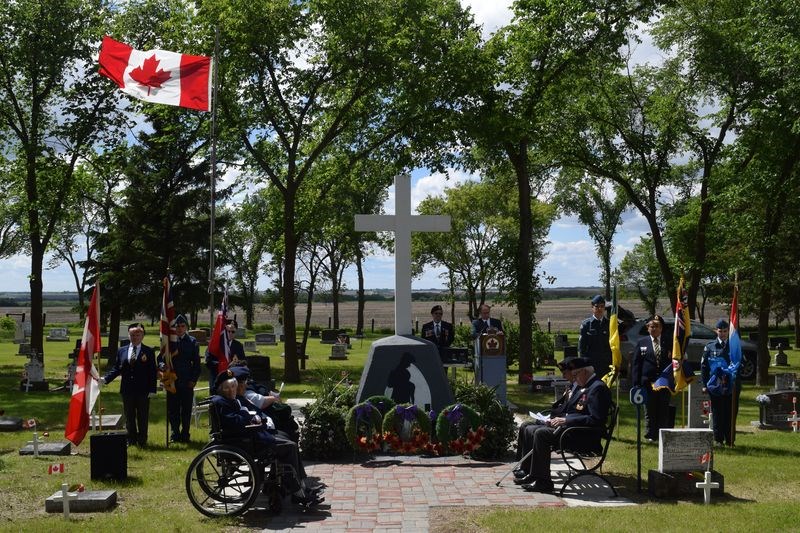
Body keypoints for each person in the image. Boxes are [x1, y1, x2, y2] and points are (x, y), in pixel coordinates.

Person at [211, 368, 322, 506]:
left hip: (252, 435)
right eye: (228, 388)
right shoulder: (222, 403)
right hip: (246, 440)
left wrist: (253, 417)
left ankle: (302, 488)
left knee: (288, 439)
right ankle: (297, 492)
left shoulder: (232, 400)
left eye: (233, 387)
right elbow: (235, 422)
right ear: (222, 390)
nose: (232, 390)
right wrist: (251, 418)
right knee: (290, 447)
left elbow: (242, 415)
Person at [514, 357, 611, 492]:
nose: (574, 378)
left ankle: (544, 482)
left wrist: (567, 420)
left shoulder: (597, 388)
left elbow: (596, 419)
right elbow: (575, 411)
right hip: (572, 430)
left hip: (584, 436)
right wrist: (562, 419)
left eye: (576, 374)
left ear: (584, 372)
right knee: (532, 429)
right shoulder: (587, 386)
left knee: (541, 433)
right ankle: (532, 474)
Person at [513, 356, 576, 481]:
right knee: (525, 425)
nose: (564, 376)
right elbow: (560, 409)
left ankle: (536, 476)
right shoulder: (573, 386)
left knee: (537, 432)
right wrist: (563, 400)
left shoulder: (582, 388)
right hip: (559, 422)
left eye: (565, 373)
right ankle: (525, 467)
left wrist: (562, 416)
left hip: (569, 430)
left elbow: (575, 413)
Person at [100, 323, 157, 447]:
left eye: (138, 334)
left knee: (142, 416)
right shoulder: (122, 350)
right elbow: (117, 369)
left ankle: (142, 440)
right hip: (127, 390)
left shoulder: (148, 351)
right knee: (129, 416)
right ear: (129, 335)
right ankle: (131, 439)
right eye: (132, 334)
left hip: (143, 390)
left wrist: (152, 389)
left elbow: (152, 372)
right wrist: (105, 379)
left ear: (142, 336)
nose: (135, 337)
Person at [158, 314, 201, 443]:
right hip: (171, 380)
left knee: (186, 410)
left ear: (186, 327)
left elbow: (197, 365)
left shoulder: (192, 342)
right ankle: (174, 434)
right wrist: (162, 365)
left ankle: (185, 434)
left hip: (187, 380)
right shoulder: (169, 341)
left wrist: (193, 380)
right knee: (173, 409)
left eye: (182, 326)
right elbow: (159, 359)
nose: (180, 329)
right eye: (177, 326)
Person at [631, 314, 673, 442]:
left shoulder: (669, 341)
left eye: (656, 326)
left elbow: (674, 361)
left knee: (663, 409)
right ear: (647, 328)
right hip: (647, 382)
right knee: (650, 410)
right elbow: (636, 364)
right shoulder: (642, 342)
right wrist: (636, 382)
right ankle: (650, 434)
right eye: (651, 326)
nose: (653, 329)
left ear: (661, 328)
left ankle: (662, 434)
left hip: (664, 382)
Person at [701, 319, 741, 446]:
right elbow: (704, 367)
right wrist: (704, 385)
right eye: (720, 331)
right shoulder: (710, 346)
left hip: (731, 385)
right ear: (716, 331)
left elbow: (741, 363)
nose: (723, 334)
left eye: (725, 331)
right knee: (717, 412)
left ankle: (730, 439)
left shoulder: (734, 346)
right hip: (716, 385)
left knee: (731, 412)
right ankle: (718, 439)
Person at [205, 319, 246, 394]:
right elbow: (208, 361)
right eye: (228, 331)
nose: (230, 333)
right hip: (217, 378)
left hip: (233, 379)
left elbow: (243, 361)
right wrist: (224, 365)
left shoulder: (238, 345)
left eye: (233, 331)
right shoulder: (215, 344)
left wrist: (236, 363)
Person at [578, 295, 612, 376]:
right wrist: (584, 363)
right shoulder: (586, 324)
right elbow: (582, 347)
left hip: (606, 363)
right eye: (597, 306)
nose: (600, 309)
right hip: (592, 363)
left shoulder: (609, 324)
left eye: (602, 306)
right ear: (592, 307)